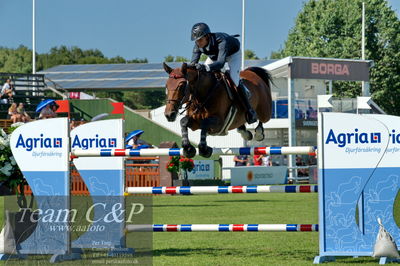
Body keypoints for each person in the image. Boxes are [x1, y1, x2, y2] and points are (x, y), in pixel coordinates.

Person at [189, 22, 257, 124]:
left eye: (200, 40)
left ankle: (249, 110)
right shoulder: (197, 45)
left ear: (207, 36)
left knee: (234, 80)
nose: (198, 43)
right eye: (196, 40)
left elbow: (220, 63)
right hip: (215, 56)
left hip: (233, 54)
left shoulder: (221, 40)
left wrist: (205, 67)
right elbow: (193, 64)